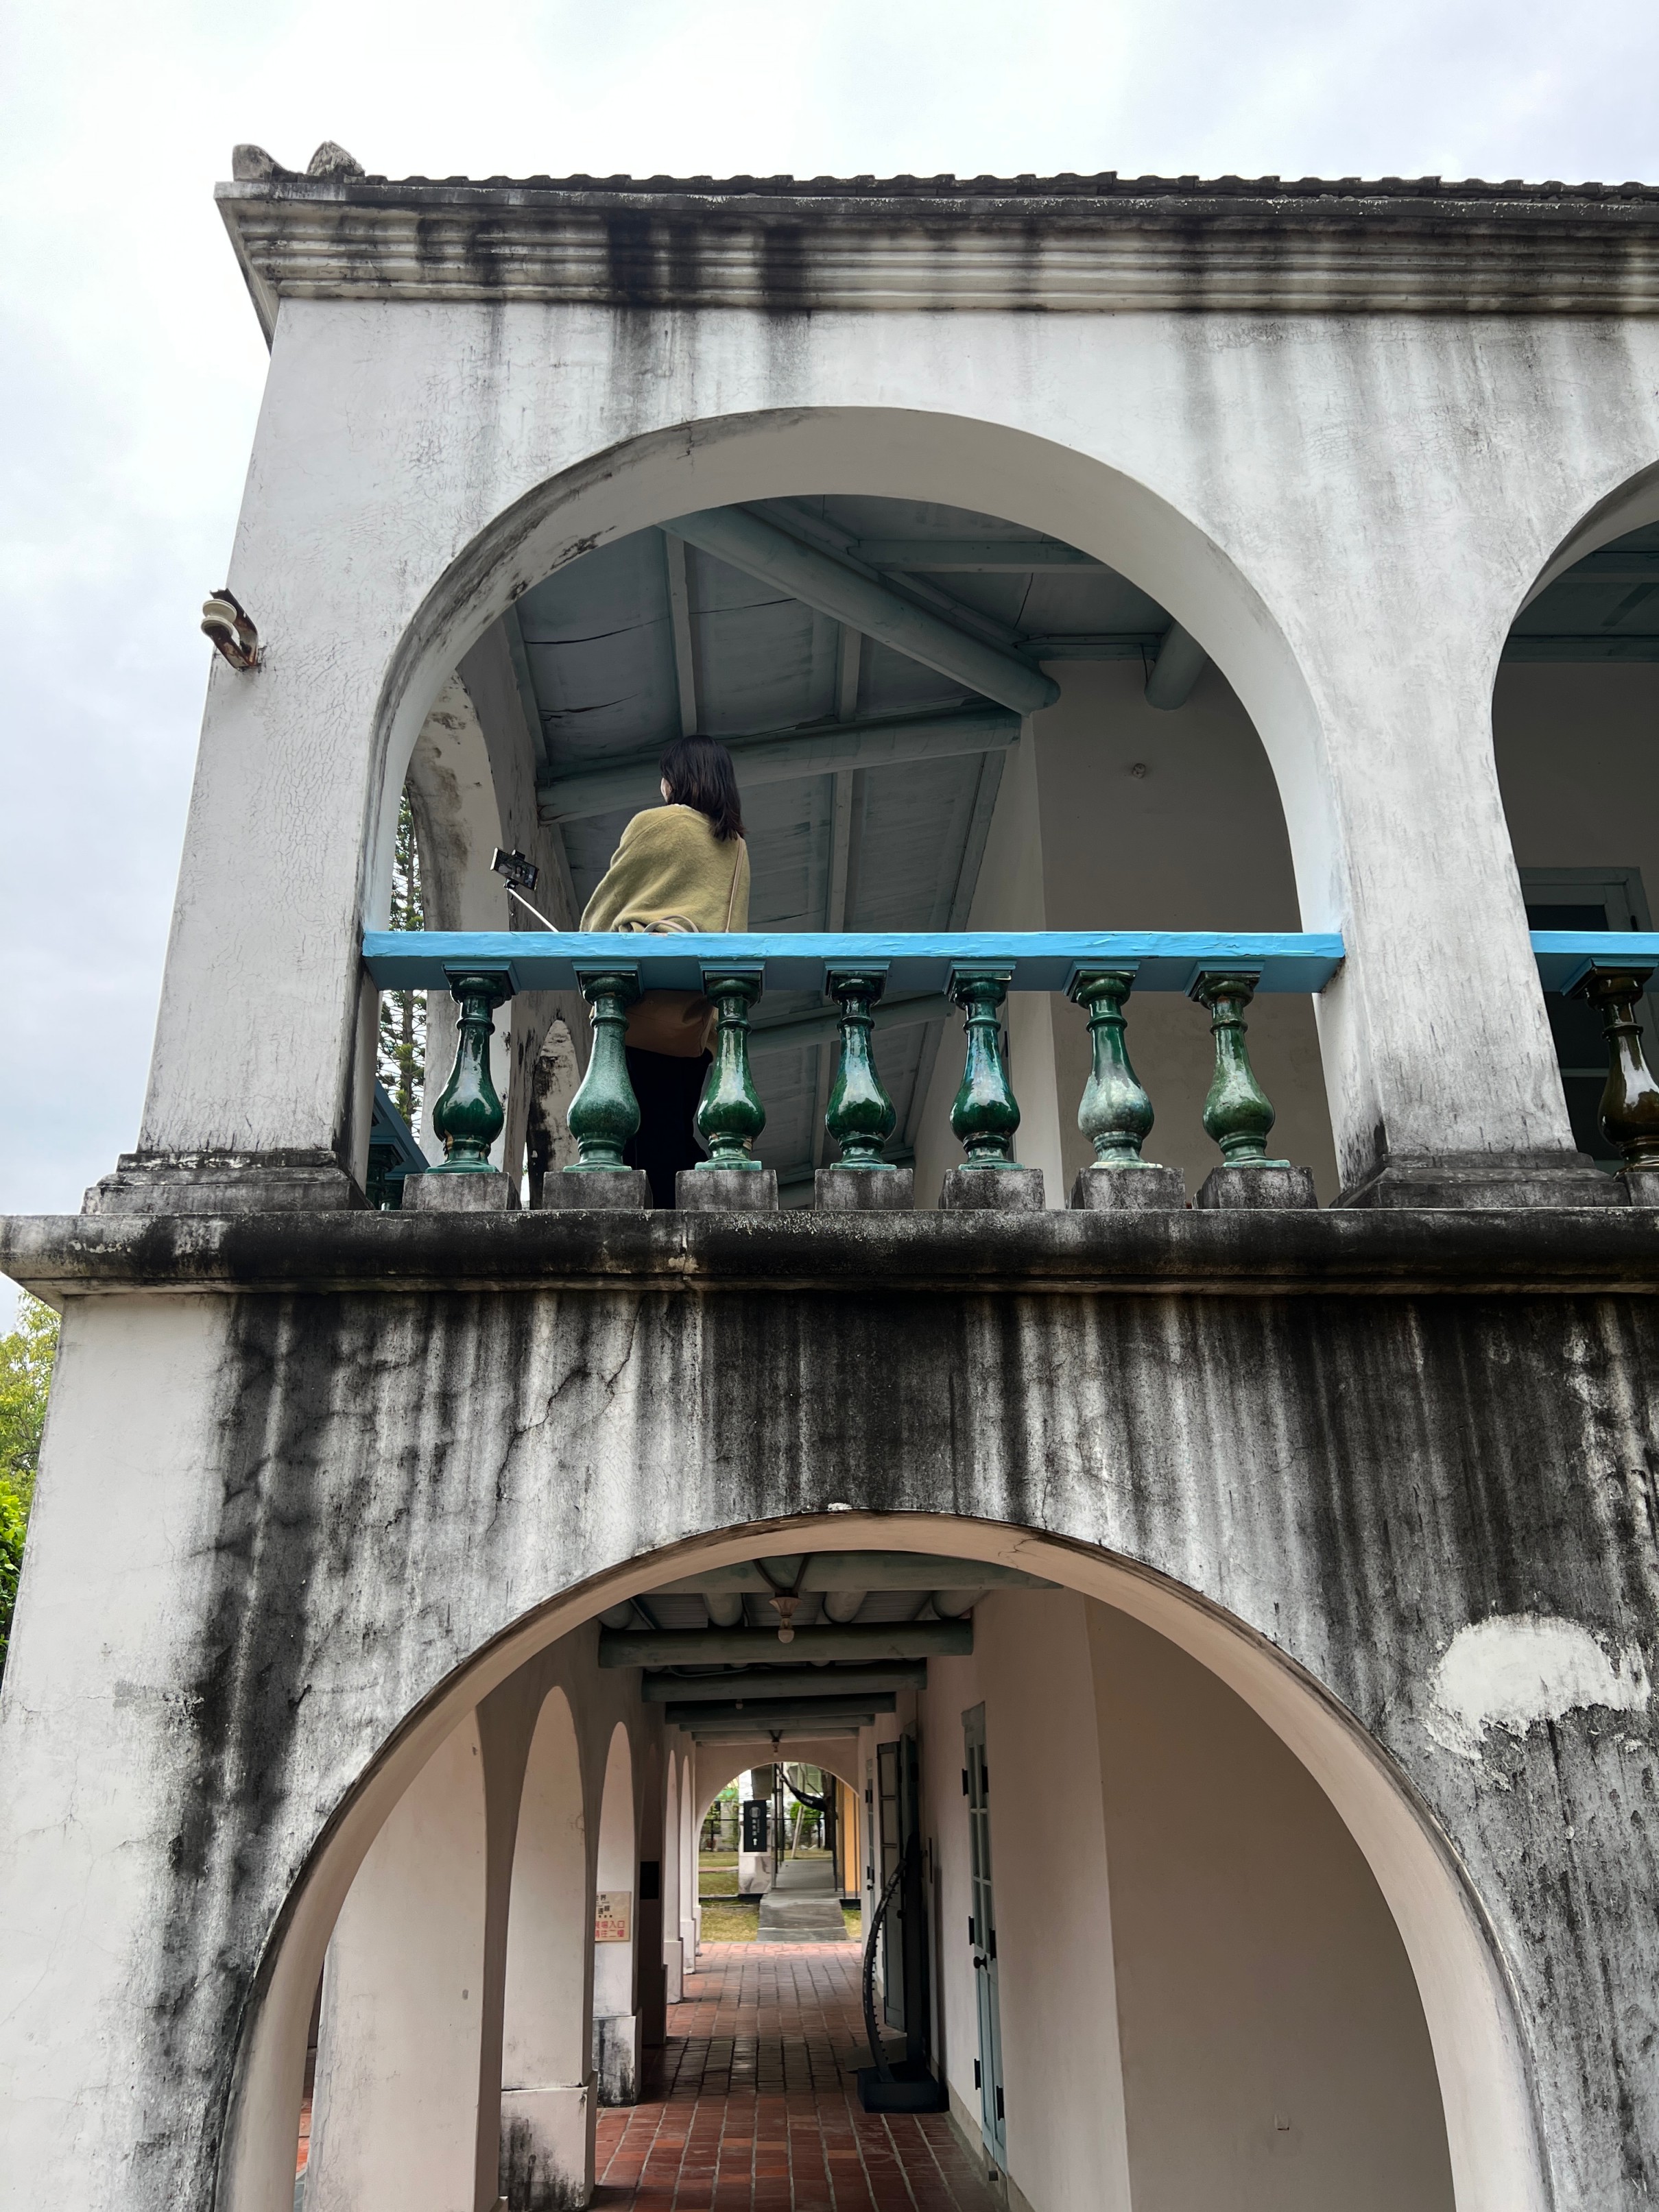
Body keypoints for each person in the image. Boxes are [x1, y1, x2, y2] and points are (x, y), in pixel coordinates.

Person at [580, 735, 750, 1205]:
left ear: (675, 779)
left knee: (628, 1141)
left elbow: (603, 911)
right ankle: (707, 1214)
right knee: (670, 1132)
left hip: (638, 1010)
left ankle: (690, 1223)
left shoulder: (654, 824)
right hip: (695, 1019)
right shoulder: (735, 845)